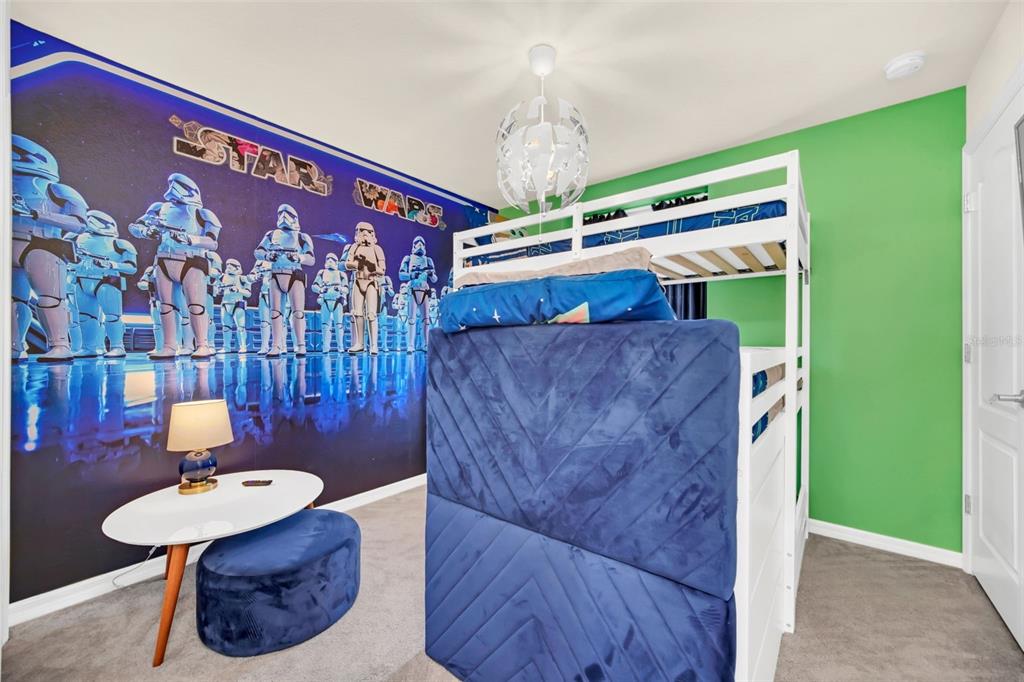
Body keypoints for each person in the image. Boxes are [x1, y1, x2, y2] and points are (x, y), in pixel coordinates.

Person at [11, 134, 90, 362]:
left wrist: (38, 214)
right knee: (14, 299)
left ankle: (60, 344)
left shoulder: (56, 190)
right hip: (14, 242)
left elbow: (79, 223)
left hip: (43, 244)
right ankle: (15, 345)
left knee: (50, 298)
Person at [129, 173, 222, 359]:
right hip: (165, 259)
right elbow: (135, 227)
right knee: (166, 306)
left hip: (192, 260)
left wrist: (190, 239)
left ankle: (202, 344)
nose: (173, 187)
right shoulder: (159, 208)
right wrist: (148, 231)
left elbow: (212, 242)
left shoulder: (202, 214)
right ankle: (169, 346)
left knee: (196, 305)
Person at [72, 210, 138, 358]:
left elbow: (131, 267)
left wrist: (111, 265)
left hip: (107, 281)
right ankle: (89, 347)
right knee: (85, 316)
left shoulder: (119, 244)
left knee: (112, 316)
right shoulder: (77, 238)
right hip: (82, 279)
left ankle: (117, 346)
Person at [253, 204, 314, 356]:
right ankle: (276, 345)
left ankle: (301, 345)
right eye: (280, 213)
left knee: (298, 312)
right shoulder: (271, 234)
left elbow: (311, 258)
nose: (283, 216)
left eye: (288, 214)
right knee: (275, 312)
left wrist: (298, 257)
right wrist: (268, 256)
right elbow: (258, 251)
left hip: (294, 274)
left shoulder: (302, 237)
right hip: (276, 273)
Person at [345, 222, 386, 355]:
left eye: (368, 232)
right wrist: (358, 264)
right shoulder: (354, 247)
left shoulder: (377, 249)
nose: (365, 234)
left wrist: (372, 266)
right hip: (358, 281)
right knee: (357, 313)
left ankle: (373, 345)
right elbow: (348, 264)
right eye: (361, 231)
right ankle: (360, 343)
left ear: (373, 234)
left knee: (371, 314)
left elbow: (382, 270)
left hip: (371, 282)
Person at [398, 235, 436, 352]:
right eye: (417, 243)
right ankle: (411, 345)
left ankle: (425, 344)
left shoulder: (428, 260)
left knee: (426, 320)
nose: (420, 245)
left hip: (424, 290)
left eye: (422, 243)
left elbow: (434, 279)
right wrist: (412, 275)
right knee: (411, 319)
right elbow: (401, 275)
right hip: (413, 289)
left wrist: (430, 273)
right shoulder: (408, 258)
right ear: (413, 246)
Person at [312, 252, 348, 353]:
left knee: (338, 325)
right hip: (326, 300)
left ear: (336, 262)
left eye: (332, 259)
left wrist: (340, 289)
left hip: (337, 301)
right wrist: (320, 290)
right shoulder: (322, 273)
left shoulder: (341, 274)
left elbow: (346, 289)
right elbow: (314, 286)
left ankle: (340, 346)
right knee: (325, 325)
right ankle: (326, 347)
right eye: (328, 259)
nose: (330, 261)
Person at [218, 258, 251, 353]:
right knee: (226, 327)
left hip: (238, 303)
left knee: (241, 327)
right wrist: (220, 290)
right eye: (228, 265)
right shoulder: (222, 277)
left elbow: (248, 293)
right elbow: (216, 290)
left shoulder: (242, 278)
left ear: (237, 268)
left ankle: (243, 346)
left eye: (231, 266)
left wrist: (238, 290)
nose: (229, 267)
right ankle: (226, 347)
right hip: (225, 303)